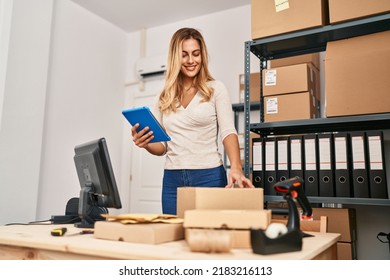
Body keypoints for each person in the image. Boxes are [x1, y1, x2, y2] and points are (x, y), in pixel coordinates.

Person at [131, 27, 254, 215]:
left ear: (202, 56)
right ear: (175, 58)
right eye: (184, 55)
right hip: (172, 180)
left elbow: (228, 132)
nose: (190, 61)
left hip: (209, 176)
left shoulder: (216, 89)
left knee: (209, 236)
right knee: (173, 237)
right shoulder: (164, 96)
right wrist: (145, 143)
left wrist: (236, 168)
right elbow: (162, 147)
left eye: (196, 54)